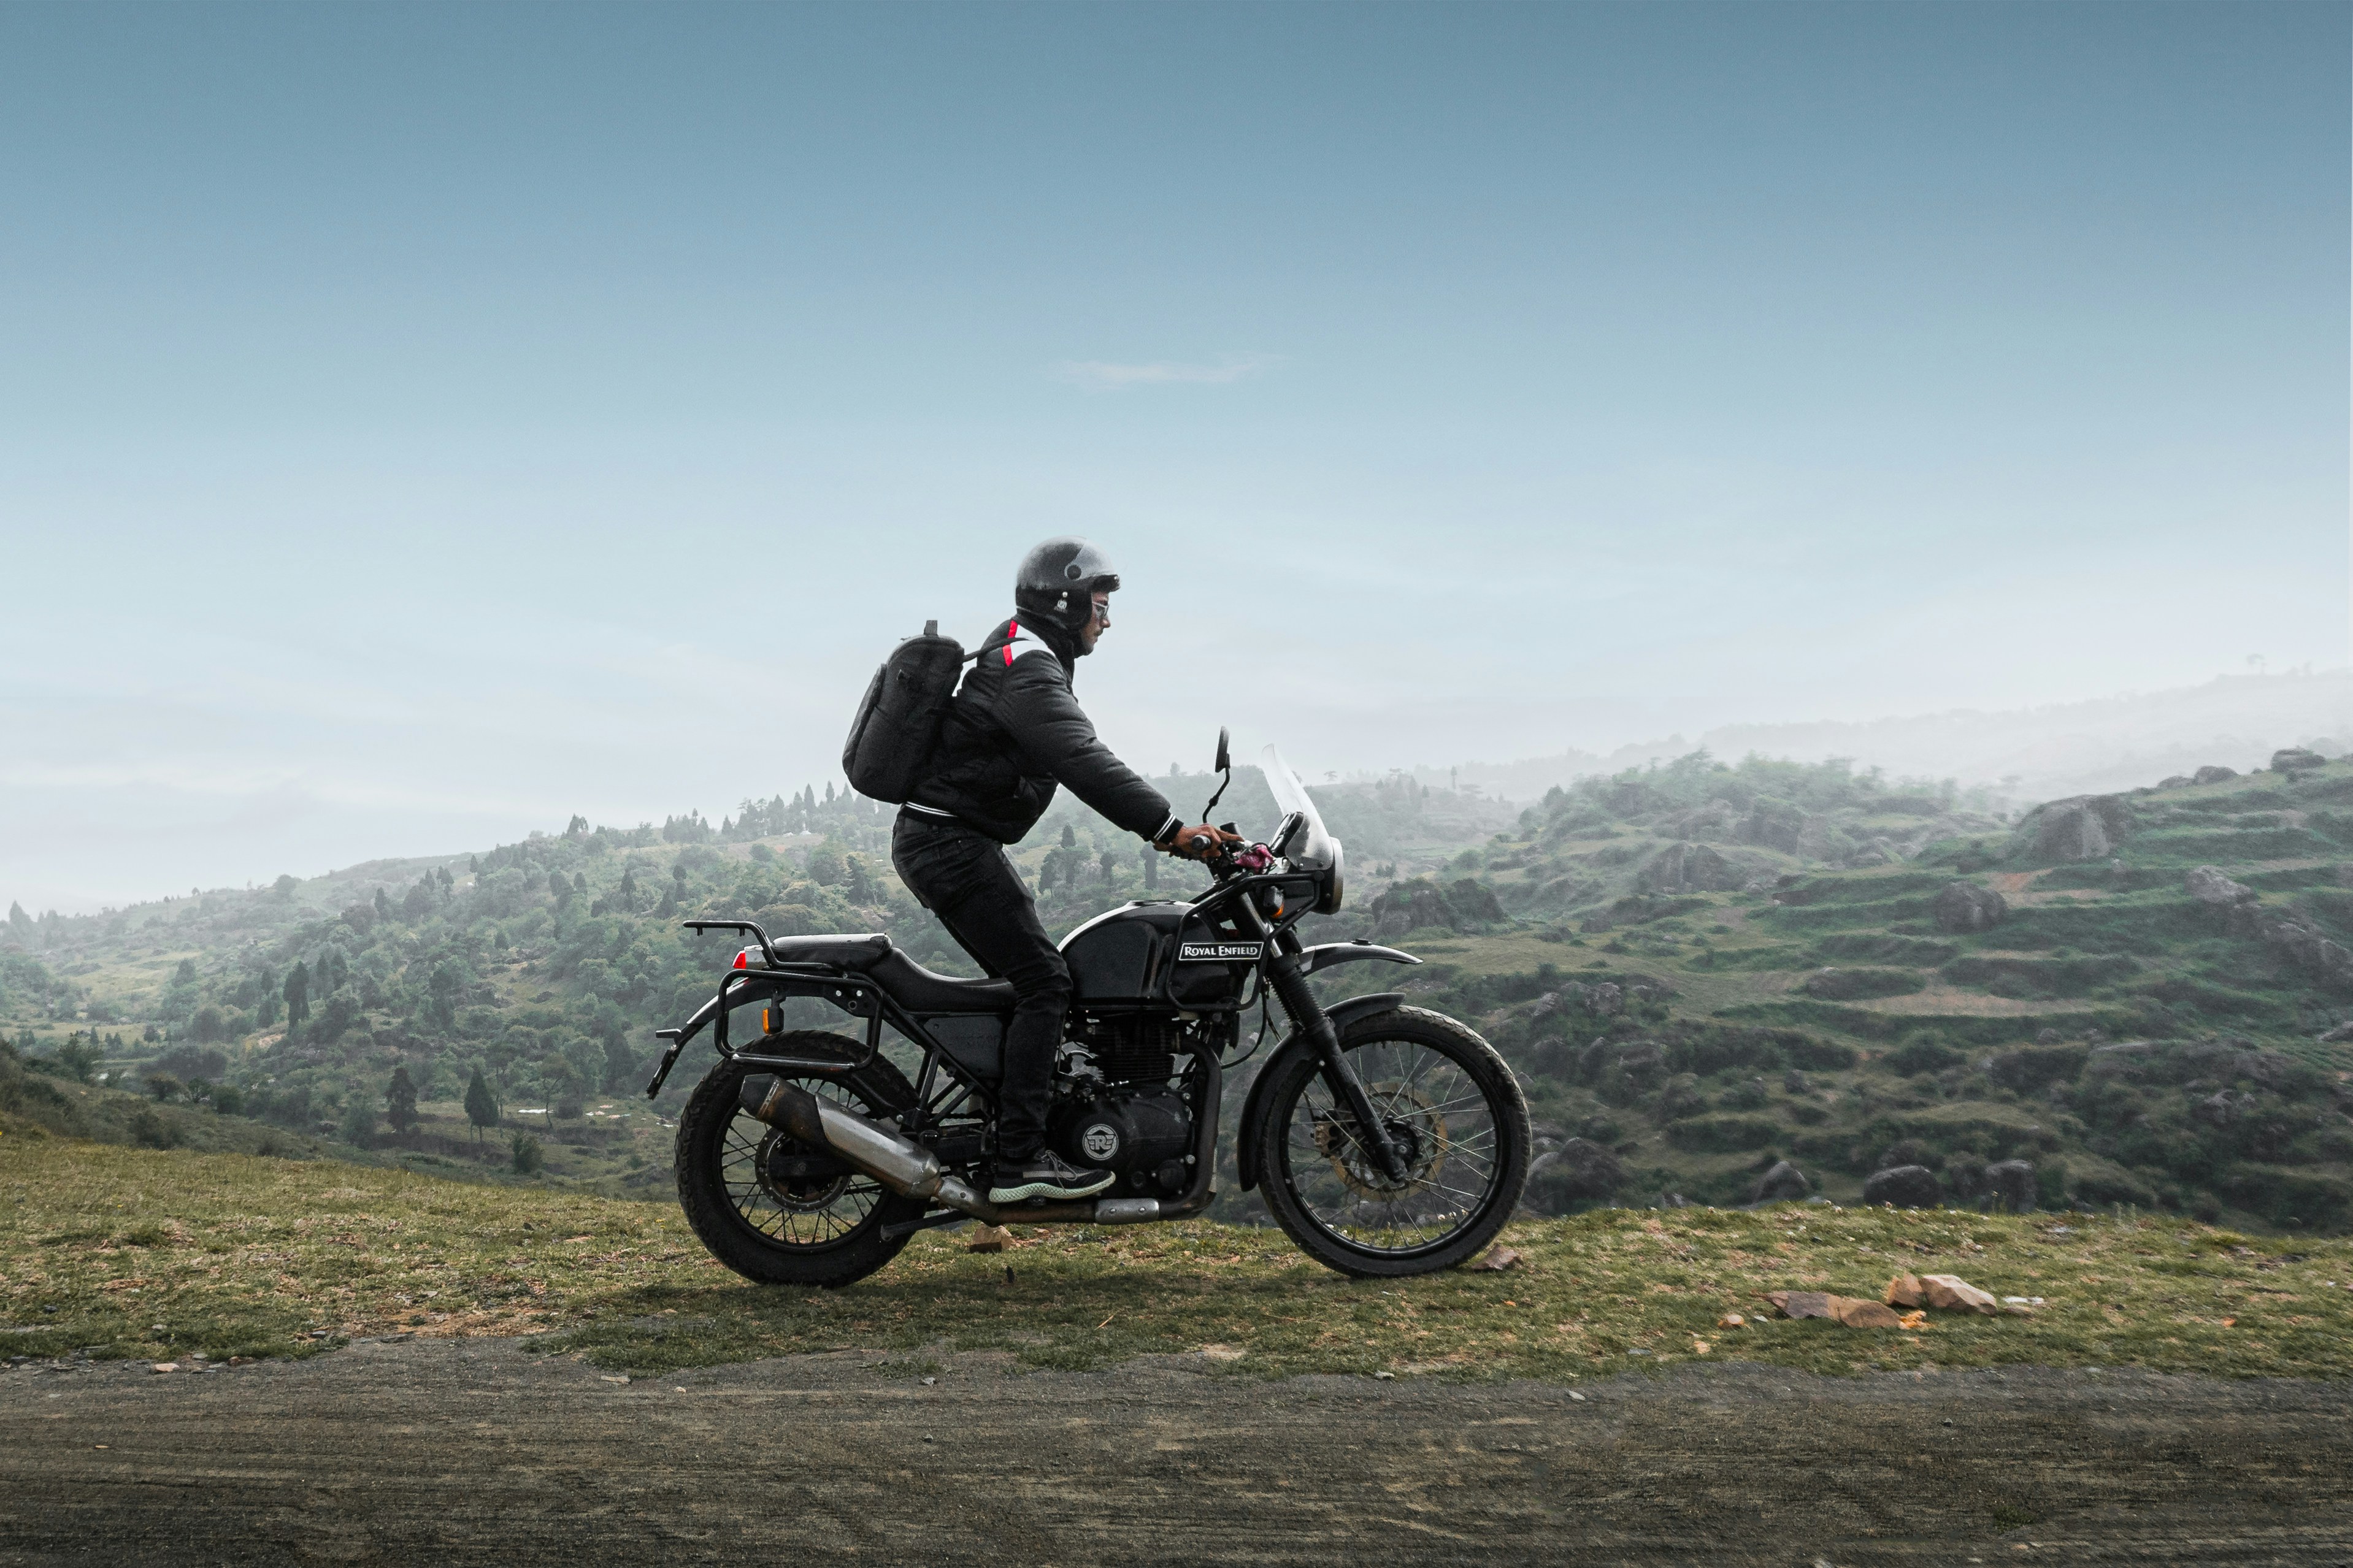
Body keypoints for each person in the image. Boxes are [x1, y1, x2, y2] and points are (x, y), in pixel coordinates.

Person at [895, 537, 1239, 1204]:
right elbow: (1081, 757)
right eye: (1099, 605)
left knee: (1030, 984)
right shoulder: (1025, 666)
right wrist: (1169, 829)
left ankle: (1002, 1135)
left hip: (952, 839)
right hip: (947, 844)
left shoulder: (1022, 652)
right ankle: (1018, 1162)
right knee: (1044, 983)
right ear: (1065, 602)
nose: (1106, 620)